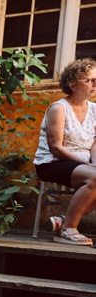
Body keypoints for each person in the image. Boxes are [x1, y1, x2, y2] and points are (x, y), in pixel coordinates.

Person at [34, 58, 96, 245]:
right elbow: (56, 147)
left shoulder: (94, 110)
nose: (95, 84)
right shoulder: (59, 108)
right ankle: (68, 229)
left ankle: (63, 220)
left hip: (81, 163)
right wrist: (87, 165)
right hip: (52, 162)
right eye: (90, 80)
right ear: (73, 84)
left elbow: (94, 143)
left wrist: (94, 163)